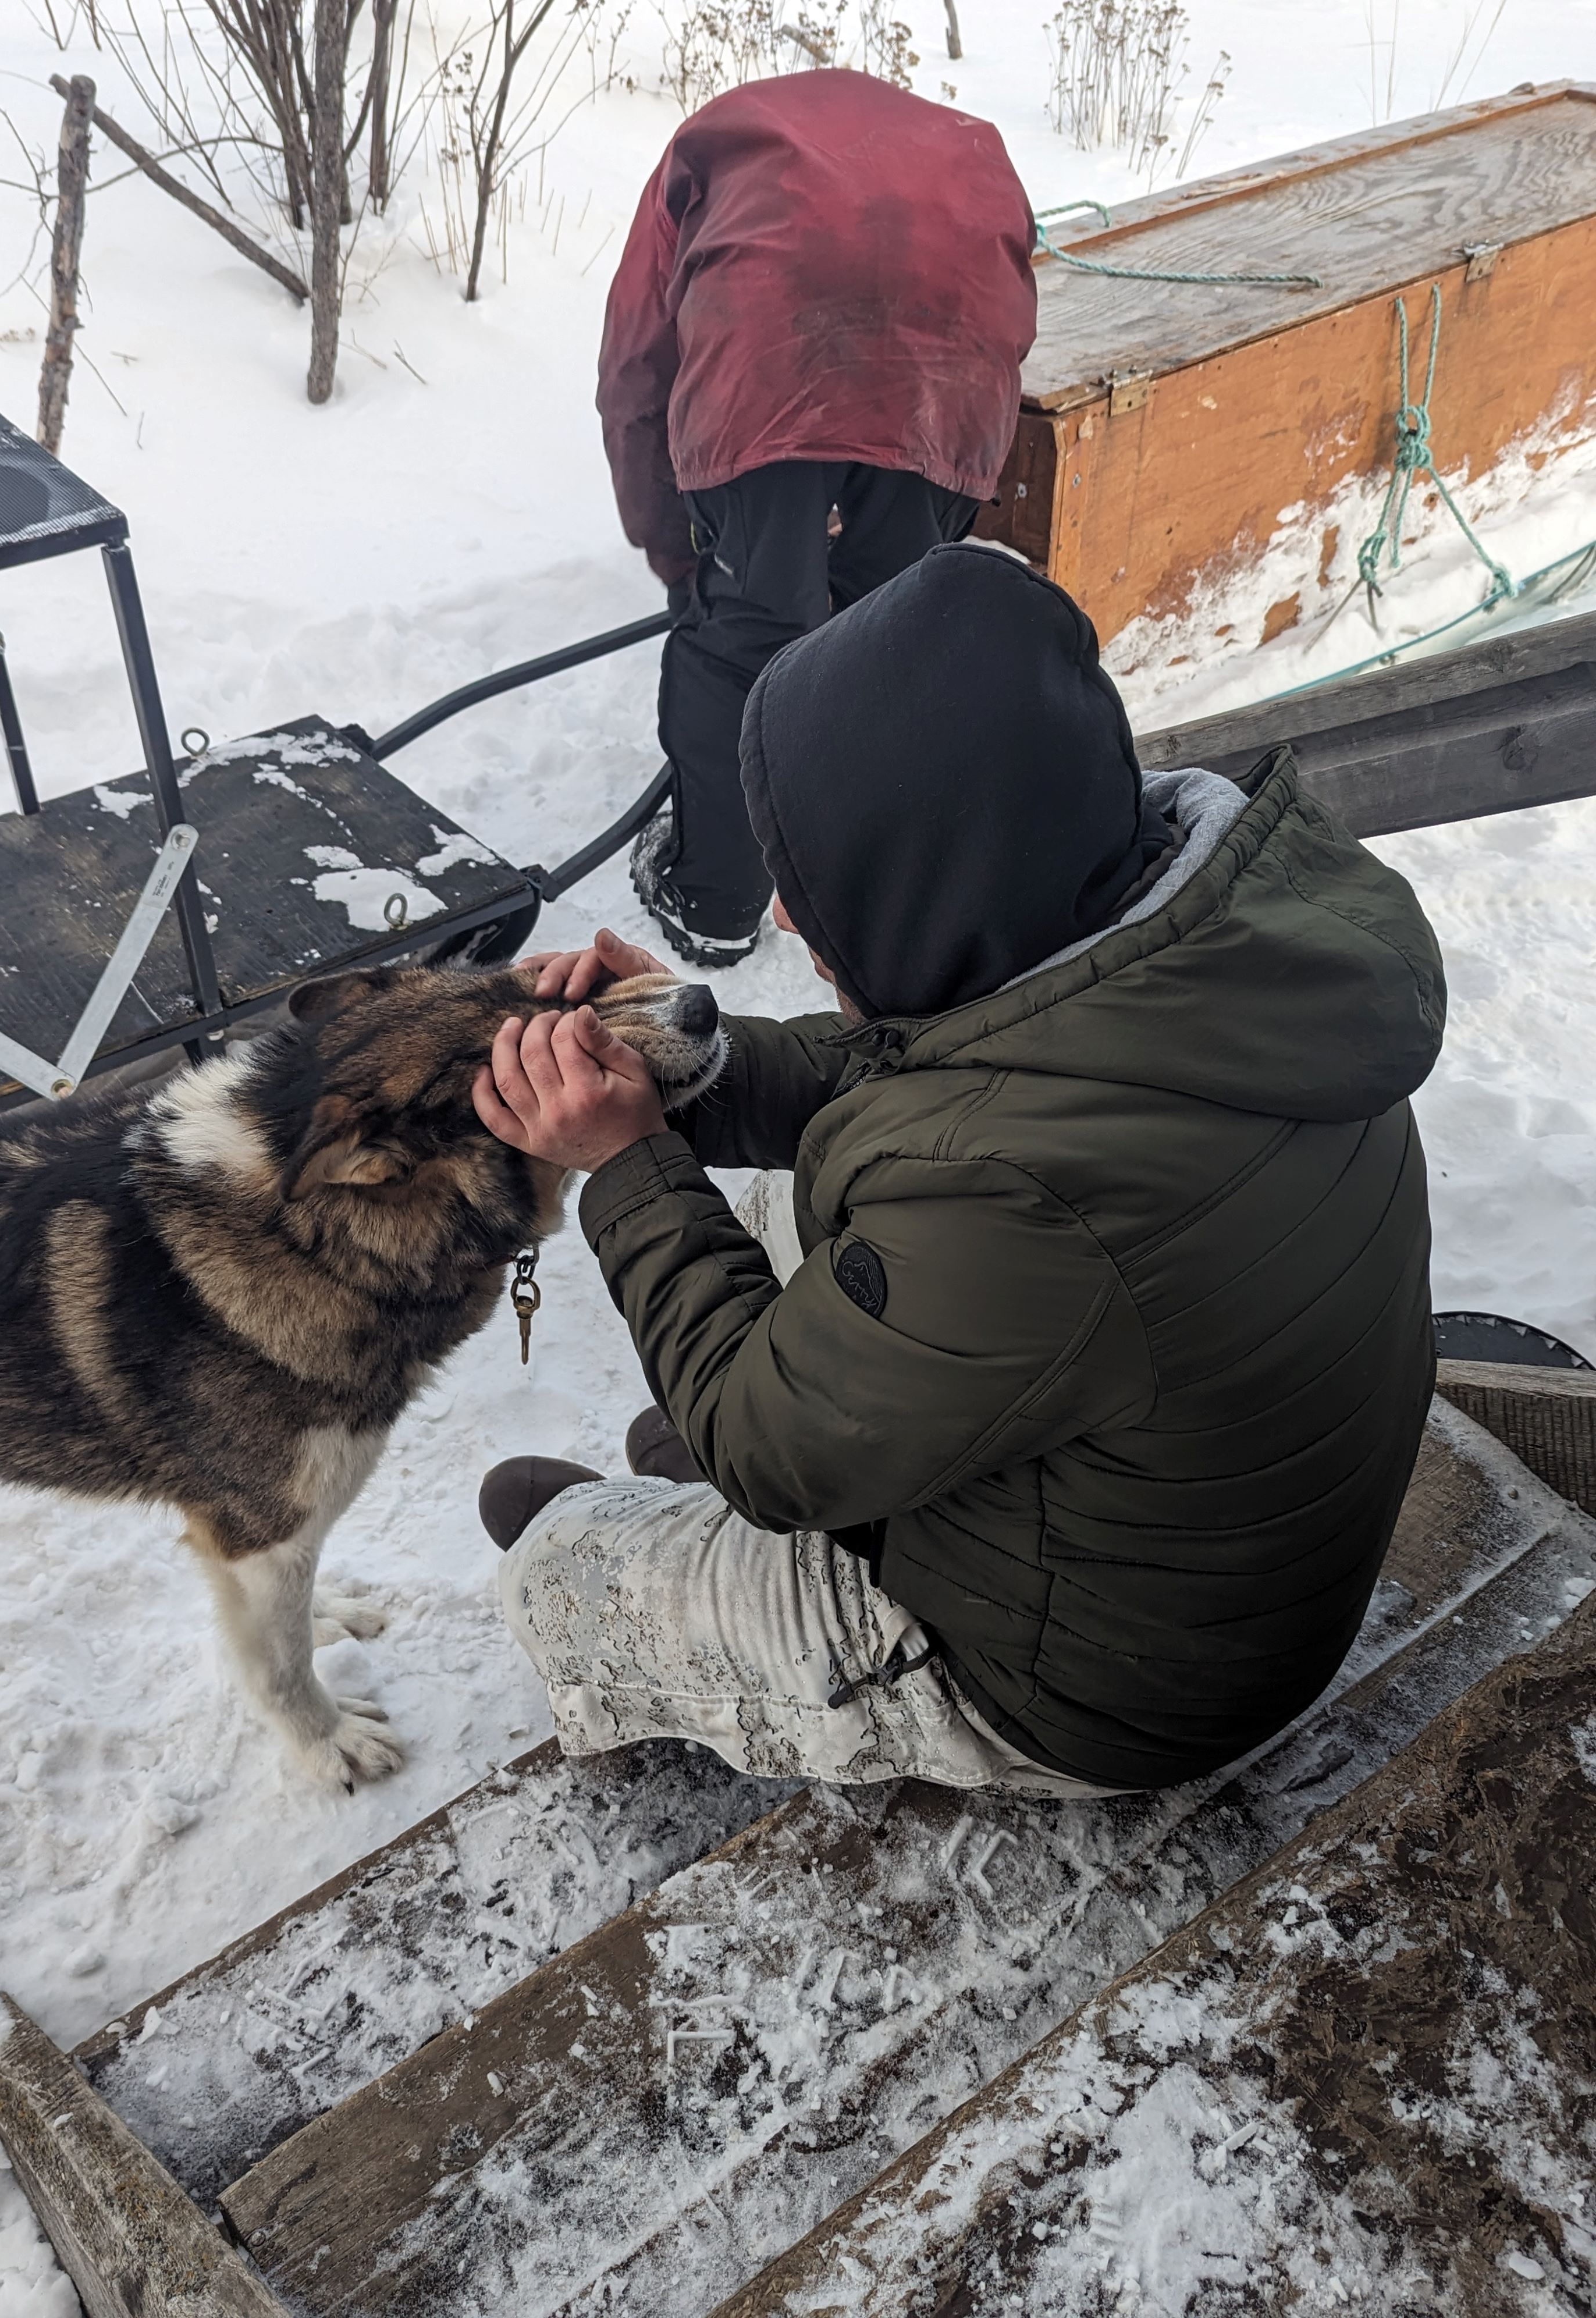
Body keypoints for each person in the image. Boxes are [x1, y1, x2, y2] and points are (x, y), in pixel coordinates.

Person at [471, 543, 1446, 1797]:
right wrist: (667, 1065)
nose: (780, 916)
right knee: (797, 1198)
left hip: (1101, 1685)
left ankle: (684, 1579)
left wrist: (623, 1160)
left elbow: (770, 1453)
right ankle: (790, 1437)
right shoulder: (1193, 948)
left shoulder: (1027, 1199)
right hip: (1184, 1538)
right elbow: (934, 1078)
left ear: (937, 881)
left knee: (560, 1573)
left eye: (814, 874)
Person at [597, 70, 1037, 969]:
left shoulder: (710, 147)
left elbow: (637, 369)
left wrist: (677, 550)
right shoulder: (968, 148)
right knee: (890, 635)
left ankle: (713, 901)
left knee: (747, 636)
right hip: (945, 363)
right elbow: (1006, 315)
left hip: (768, 355)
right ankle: (867, 884)